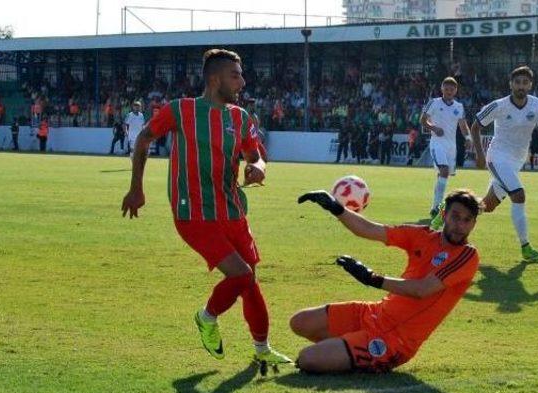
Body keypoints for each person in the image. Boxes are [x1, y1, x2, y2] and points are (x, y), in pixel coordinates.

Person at [121, 48, 292, 372]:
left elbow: (256, 156)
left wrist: (258, 169)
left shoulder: (240, 117)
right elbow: (143, 140)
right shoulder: (180, 110)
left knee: (249, 280)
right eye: (235, 75)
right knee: (240, 274)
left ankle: (262, 348)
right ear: (215, 79)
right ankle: (206, 317)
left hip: (232, 210)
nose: (242, 81)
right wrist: (136, 187)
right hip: (194, 213)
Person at [291, 189, 481, 374]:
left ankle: (349, 351)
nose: (460, 225)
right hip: (375, 313)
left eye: (467, 220)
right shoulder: (422, 236)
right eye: (456, 217)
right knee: (299, 322)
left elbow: (422, 289)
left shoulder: (467, 256)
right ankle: (347, 348)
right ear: (444, 214)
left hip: (395, 339)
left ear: (473, 224)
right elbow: (369, 229)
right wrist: (336, 208)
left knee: (308, 359)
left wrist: (372, 278)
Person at [434, 66, 538, 262]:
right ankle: (526, 247)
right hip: (497, 157)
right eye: (517, 82)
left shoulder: (536, 105)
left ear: (530, 85)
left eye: (525, 83)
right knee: (519, 194)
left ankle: (445, 210)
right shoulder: (499, 105)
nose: (521, 86)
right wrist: (480, 154)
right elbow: (475, 126)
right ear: (511, 84)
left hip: (516, 161)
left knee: (486, 206)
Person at [420, 77, 472, 217]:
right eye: (446, 89)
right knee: (444, 170)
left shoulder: (458, 106)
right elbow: (423, 120)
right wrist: (434, 128)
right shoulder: (434, 103)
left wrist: (468, 138)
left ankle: (435, 206)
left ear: (455, 90)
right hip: (437, 143)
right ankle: (436, 208)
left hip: (451, 146)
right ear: (442, 89)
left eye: (452, 89)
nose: (449, 91)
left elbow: (463, 124)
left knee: (443, 175)